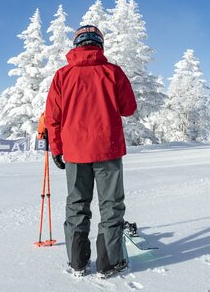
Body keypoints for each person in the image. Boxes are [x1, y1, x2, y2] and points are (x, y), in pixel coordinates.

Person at [45, 24, 137, 278]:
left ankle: (77, 263)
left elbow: (53, 117)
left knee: (77, 204)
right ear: (99, 44)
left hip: (75, 153)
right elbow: (128, 108)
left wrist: (56, 149)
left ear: (77, 45)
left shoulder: (62, 76)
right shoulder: (113, 72)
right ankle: (108, 264)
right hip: (107, 150)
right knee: (111, 205)